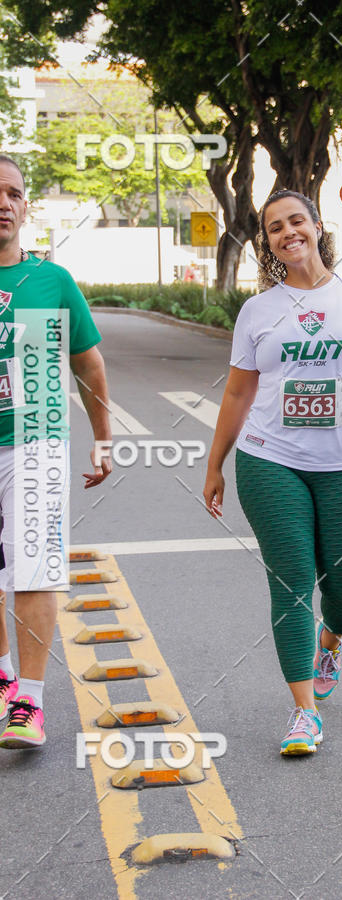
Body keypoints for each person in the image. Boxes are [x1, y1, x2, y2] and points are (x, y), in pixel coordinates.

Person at [203, 189, 342, 757]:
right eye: (275, 228)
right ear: (268, 242)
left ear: (318, 226)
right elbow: (238, 392)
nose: (287, 233)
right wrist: (215, 462)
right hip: (268, 458)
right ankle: (305, 713)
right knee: (291, 584)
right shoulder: (258, 310)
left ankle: (331, 640)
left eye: (296, 221)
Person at [0, 155, 112, 750]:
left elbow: (87, 362)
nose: (4, 202)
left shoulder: (51, 280)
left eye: (14, 193)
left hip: (36, 442)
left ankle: (29, 703)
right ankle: (2, 673)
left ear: (25, 207)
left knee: (34, 565)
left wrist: (102, 435)